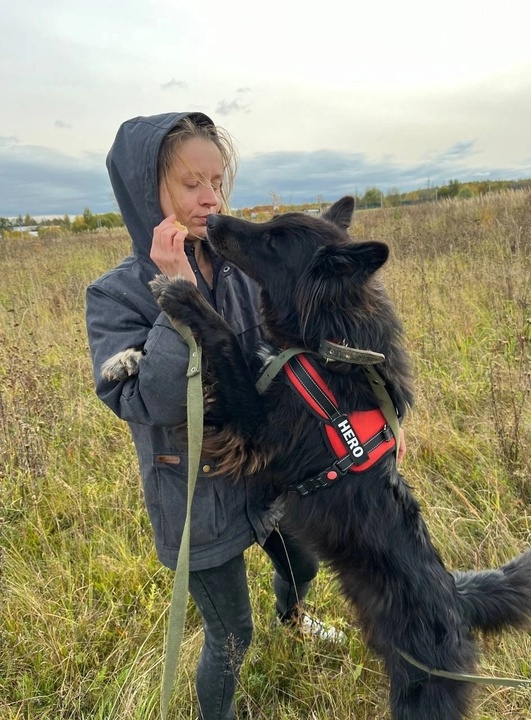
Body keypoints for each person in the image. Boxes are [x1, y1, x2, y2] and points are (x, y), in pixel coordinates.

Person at [85, 111, 350, 720]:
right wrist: (176, 293)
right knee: (231, 636)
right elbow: (146, 400)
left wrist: (373, 418)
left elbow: (290, 355)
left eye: (218, 181)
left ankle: (296, 616)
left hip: (266, 469)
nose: (211, 198)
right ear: (144, 190)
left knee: (304, 560)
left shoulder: (237, 269)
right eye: (190, 183)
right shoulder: (114, 295)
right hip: (195, 500)